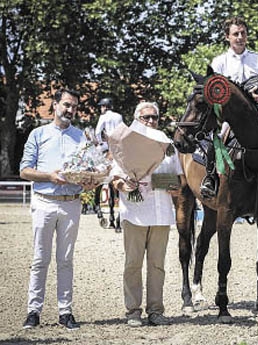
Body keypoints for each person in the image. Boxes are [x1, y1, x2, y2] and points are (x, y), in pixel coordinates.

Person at [19, 88, 97, 330]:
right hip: (44, 201)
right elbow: (24, 170)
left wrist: (89, 180)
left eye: (74, 107)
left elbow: (89, 171)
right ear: (55, 105)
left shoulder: (82, 137)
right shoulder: (38, 134)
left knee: (65, 260)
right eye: (66, 105)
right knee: (40, 259)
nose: (70, 110)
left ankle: (65, 311)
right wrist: (49, 176)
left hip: (72, 202)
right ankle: (34, 311)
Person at [200, 16, 258, 199]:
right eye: (236, 34)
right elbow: (211, 90)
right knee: (215, 141)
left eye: (243, 33)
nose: (240, 37)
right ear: (227, 37)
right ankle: (211, 180)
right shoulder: (219, 62)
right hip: (230, 119)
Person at [111, 102, 184, 327]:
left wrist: (156, 181)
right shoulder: (125, 143)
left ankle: (156, 310)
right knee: (133, 263)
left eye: (155, 117)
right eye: (146, 118)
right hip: (134, 213)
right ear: (136, 119)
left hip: (161, 213)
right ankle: (133, 311)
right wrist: (125, 185)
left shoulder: (168, 144)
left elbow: (179, 183)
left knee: (157, 265)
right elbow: (115, 178)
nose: (151, 121)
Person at [94, 97, 124, 231]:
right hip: (118, 149)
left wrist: (101, 142)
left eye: (101, 107)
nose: (101, 109)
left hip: (106, 149)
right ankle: (116, 218)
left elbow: (97, 133)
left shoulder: (104, 116)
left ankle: (99, 206)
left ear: (104, 107)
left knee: (98, 173)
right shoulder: (119, 116)